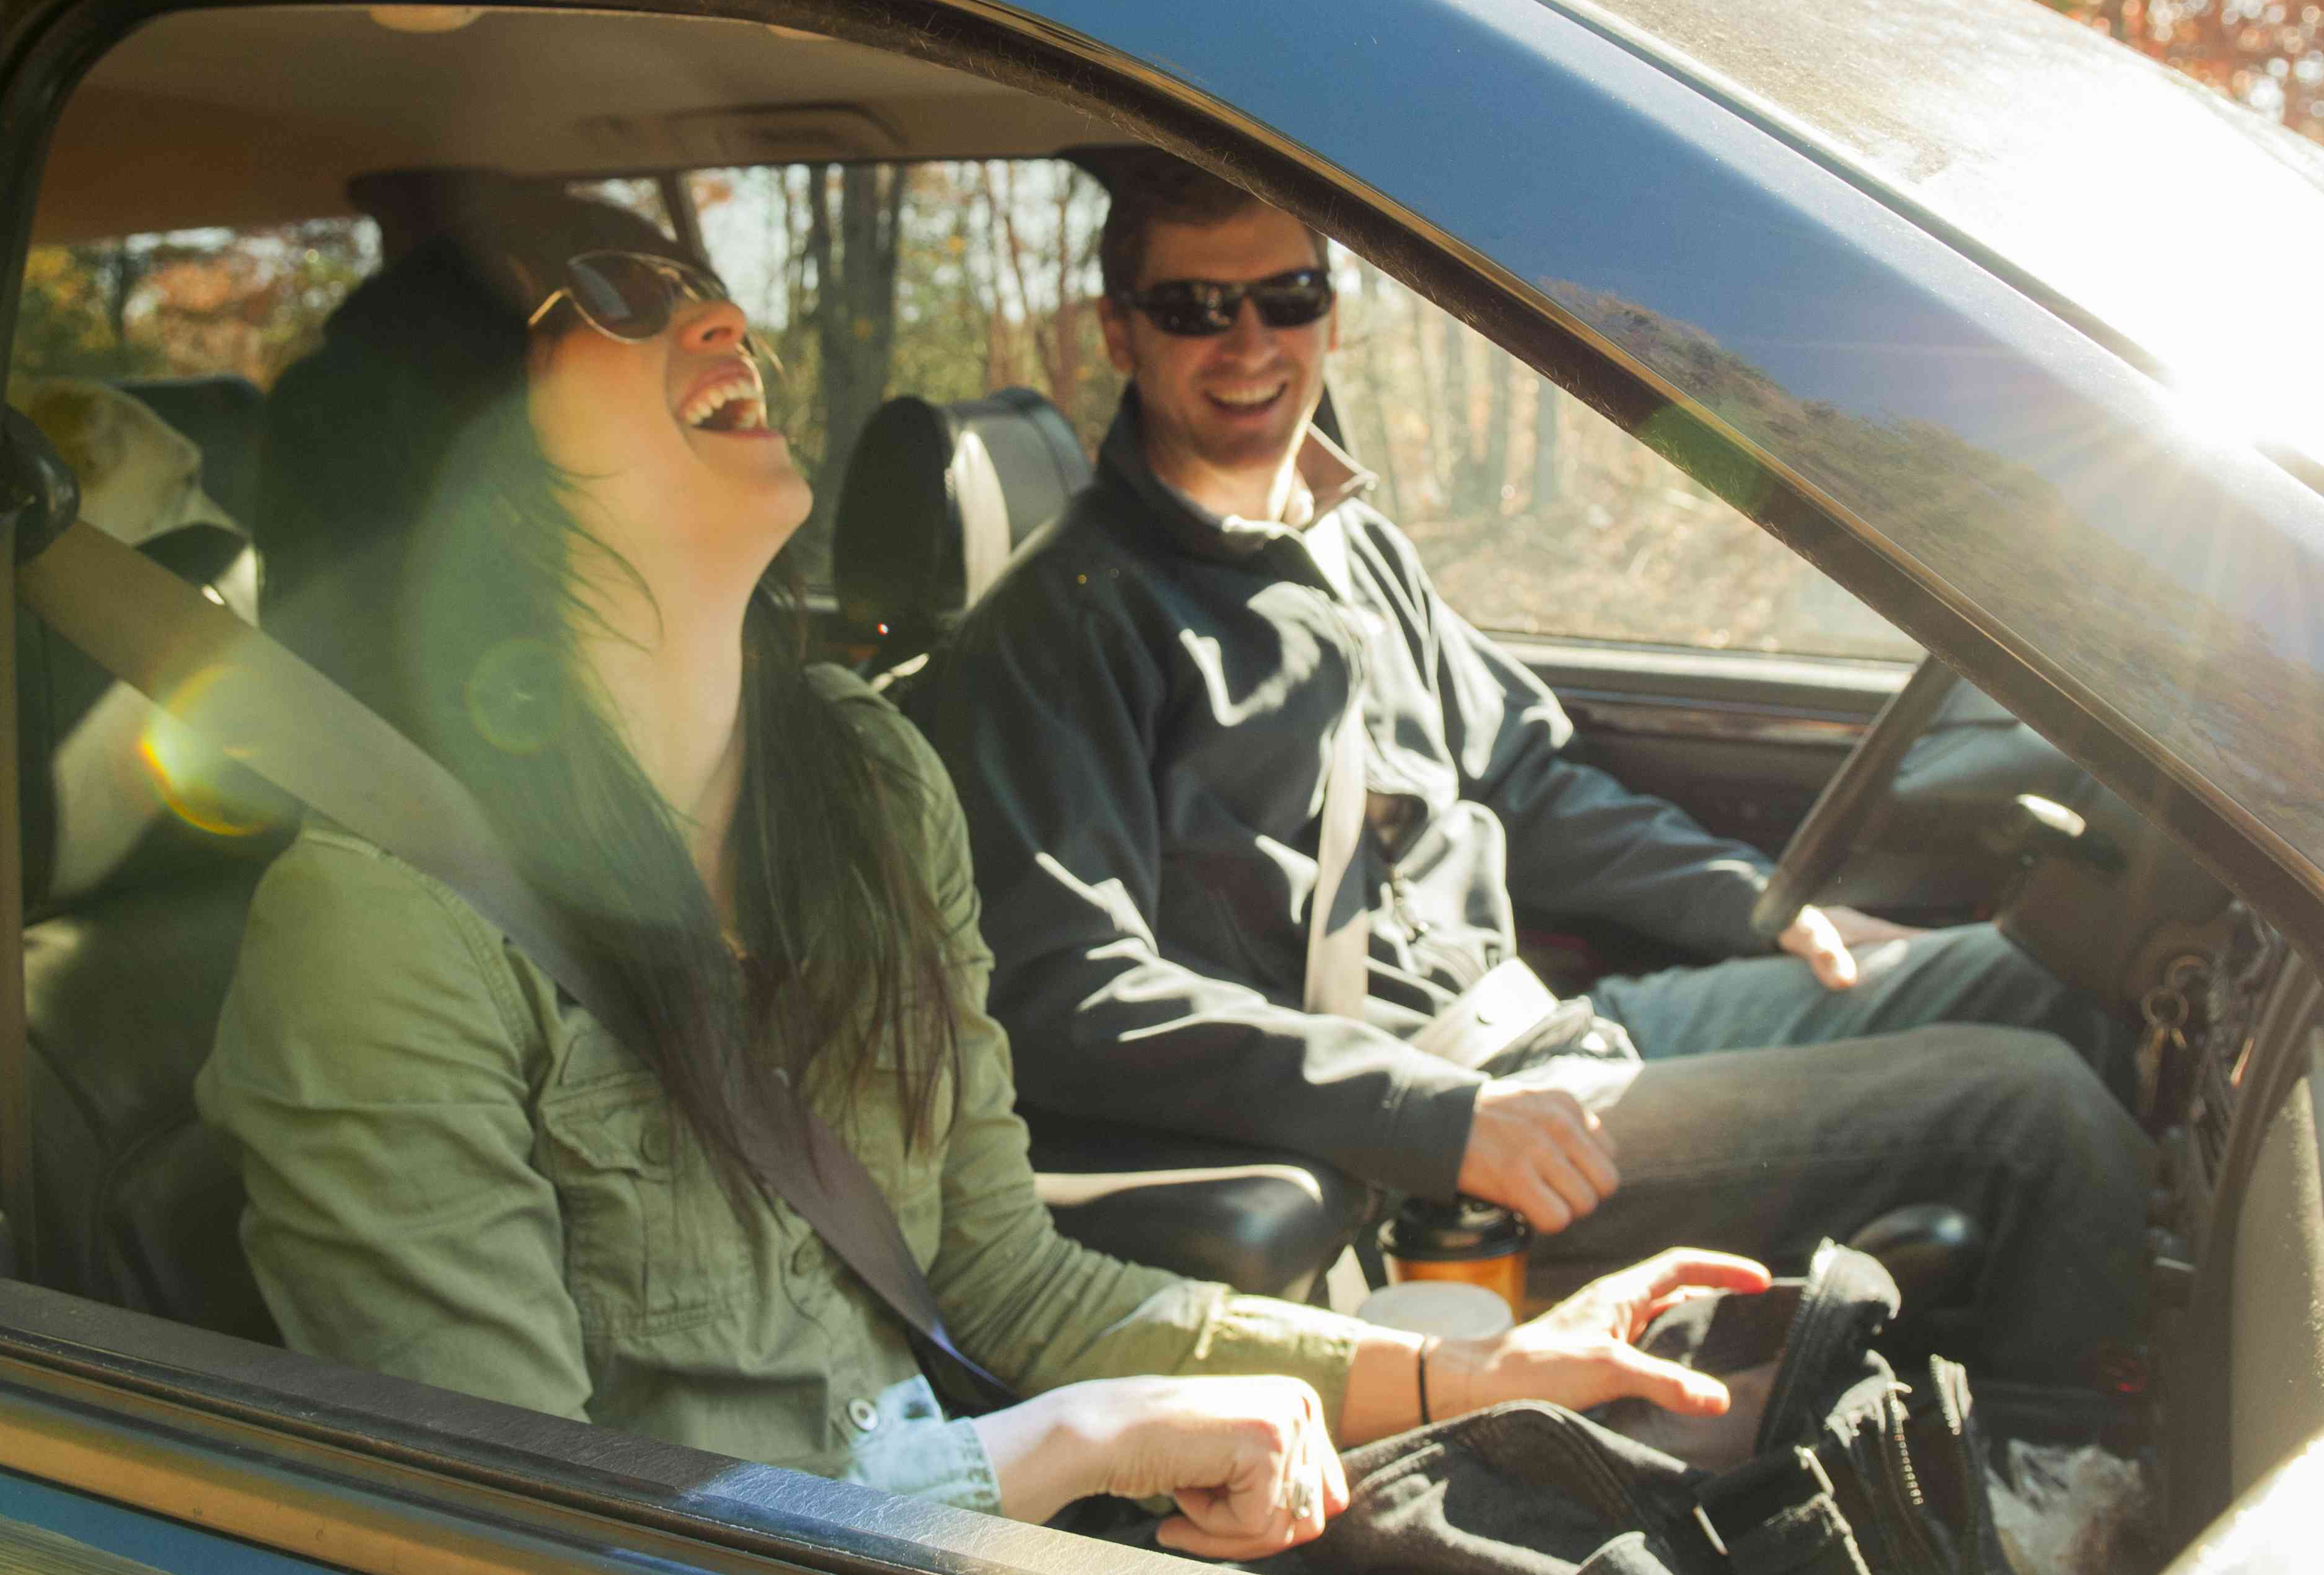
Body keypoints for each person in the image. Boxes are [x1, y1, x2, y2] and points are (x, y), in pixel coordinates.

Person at [193, 188, 1773, 1551]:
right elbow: (519, 1531)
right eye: (621, 295)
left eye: (700, 279)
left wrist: (1465, 1377)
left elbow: (1005, 1280)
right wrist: (1067, 1446)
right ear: (458, 453)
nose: (725, 316)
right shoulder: (382, 931)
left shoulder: (864, 781)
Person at [912, 149, 2153, 1387]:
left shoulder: (1353, 542)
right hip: (1421, 1139)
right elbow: (1075, 995)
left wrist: (1763, 904)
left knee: (2037, 976)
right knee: (2028, 1108)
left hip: (1552, 1033)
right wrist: (1426, 1116)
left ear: (1332, 313)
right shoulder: (1062, 633)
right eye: (1195, 308)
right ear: (1120, 330)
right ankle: (2065, 1487)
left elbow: (1528, 782)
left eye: (1285, 298)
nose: (1249, 343)